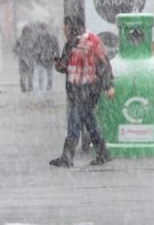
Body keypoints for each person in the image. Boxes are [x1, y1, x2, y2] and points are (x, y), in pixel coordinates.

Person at [49, 15, 114, 167]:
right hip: (75, 89)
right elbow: (66, 66)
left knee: (75, 121)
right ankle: (103, 153)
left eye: (66, 27)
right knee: (90, 121)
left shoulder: (90, 40)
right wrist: (59, 64)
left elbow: (103, 64)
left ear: (72, 26)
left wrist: (108, 86)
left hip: (89, 89)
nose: (64, 30)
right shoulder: (71, 43)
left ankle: (67, 157)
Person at [33, 22, 59, 92]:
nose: (42, 31)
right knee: (40, 76)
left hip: (49, 59)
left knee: (49, 76)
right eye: (41, 29)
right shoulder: (37, 39)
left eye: (43, 29)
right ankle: (41, 89)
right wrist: (35, 55)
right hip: (39, 60)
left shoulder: (51, 38)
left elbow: (56, 47)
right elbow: (33, 48)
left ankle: (49, 88)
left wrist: (56, 57)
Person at [13, 25, 37, 93]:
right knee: (22, 76)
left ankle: (30, 88)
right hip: (22, 61)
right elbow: (15, 48)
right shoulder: (20, 39)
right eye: (26, 31)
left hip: (30, 61)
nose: (27, 33)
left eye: (28, 31)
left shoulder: (32, 39)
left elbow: (36, 48)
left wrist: (34, 54)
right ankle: (23, 87)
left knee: (30, 77)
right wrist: (18, 52)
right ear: (23, 32)